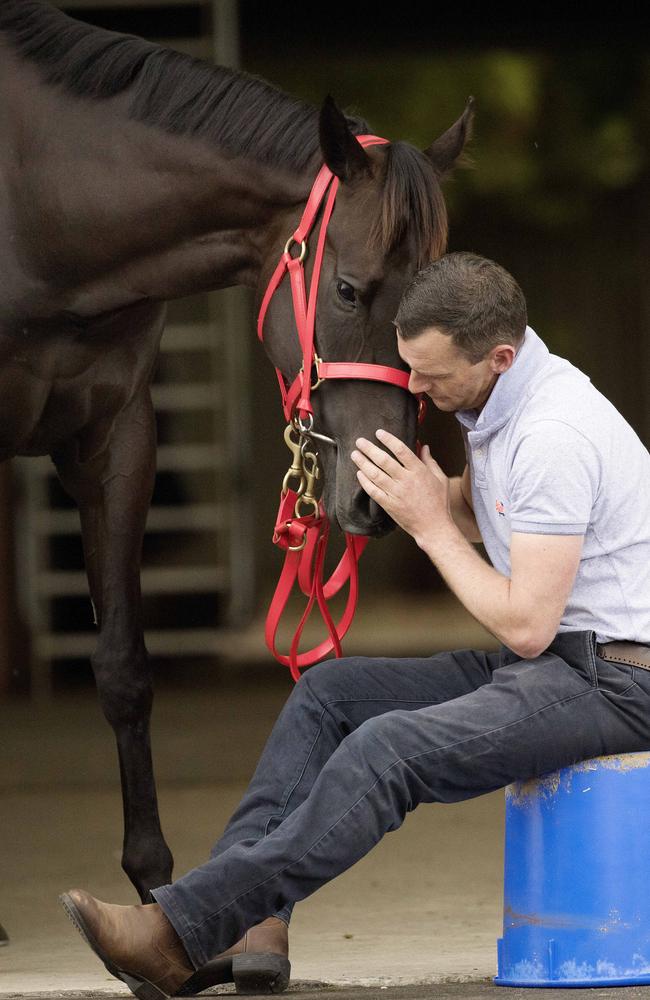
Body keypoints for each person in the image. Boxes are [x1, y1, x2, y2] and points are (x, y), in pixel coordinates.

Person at [61, 252, 650, 1000]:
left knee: (390, 749)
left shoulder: (554, 433)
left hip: (617, 677)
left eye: (432, 376)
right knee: (333, 693)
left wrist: (433, 525)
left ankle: (179, 932)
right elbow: (503, 514)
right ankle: (246, 922)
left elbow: (527, 624)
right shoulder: (502, 402)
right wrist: (434, 495)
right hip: (558, 662)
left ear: (499, 356)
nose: (419, 391)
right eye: (411, 368)